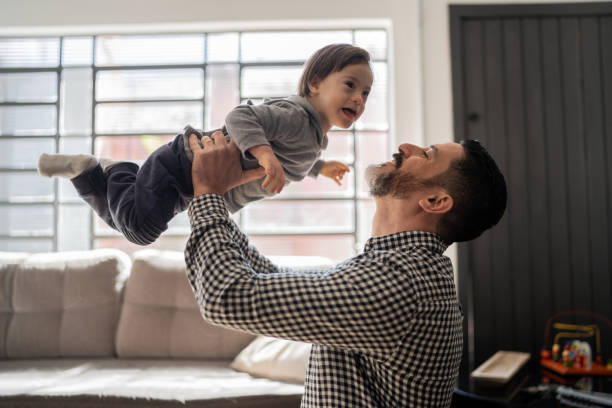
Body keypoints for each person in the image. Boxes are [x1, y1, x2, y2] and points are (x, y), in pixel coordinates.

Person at [183, 131, 507, 408]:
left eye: (426, 154)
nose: (407, 147)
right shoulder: (393, 268)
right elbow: (271, 280)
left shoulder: (400, 283)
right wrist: (215, 198)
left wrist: (207, 195)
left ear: (436, 201)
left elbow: (227, 297)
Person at [37, 44, 373, 246]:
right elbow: (240, 117)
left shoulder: (314, 138)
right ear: (314, 83)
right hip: (184, 163)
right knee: (140, 230)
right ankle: (116, 169)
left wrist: (320, 167)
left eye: (366, 93)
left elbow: (291, 155)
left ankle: (85, 173)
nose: (359, 98)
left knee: (126, 221)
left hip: (198, 184)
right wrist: (265, 154)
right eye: (350, 85)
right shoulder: (295, 117)